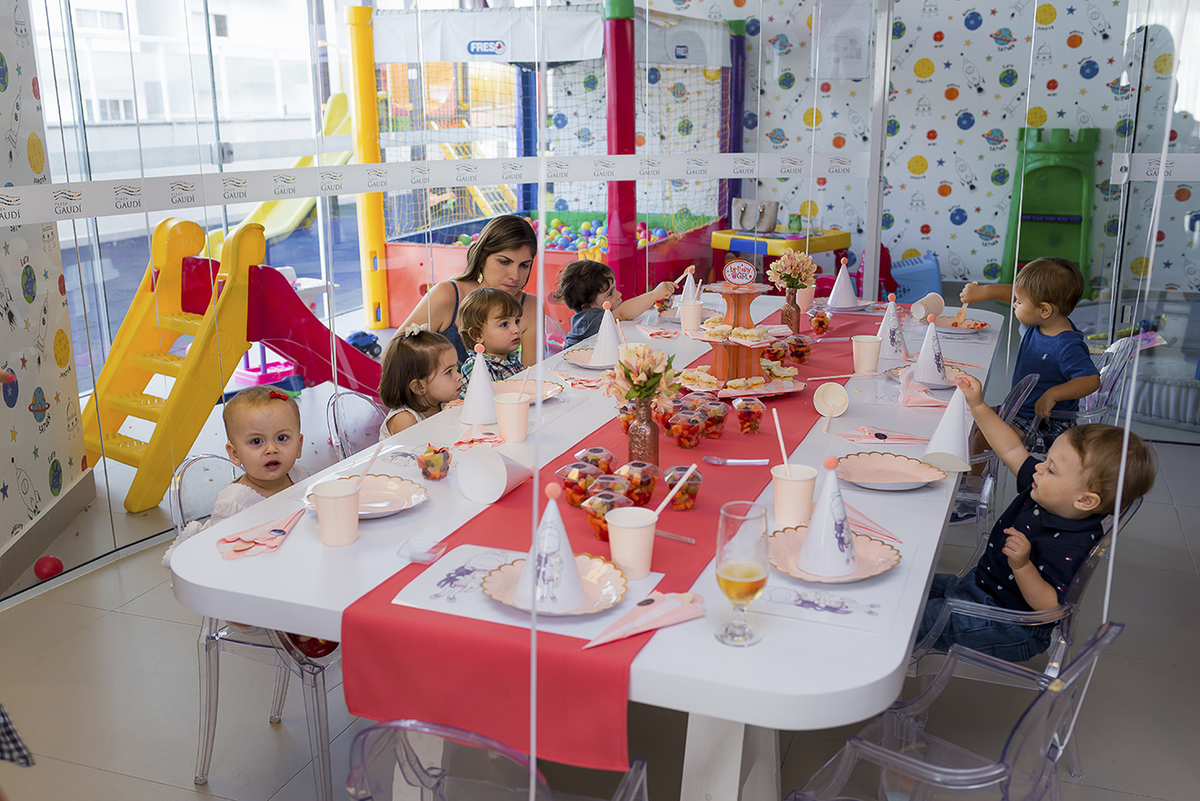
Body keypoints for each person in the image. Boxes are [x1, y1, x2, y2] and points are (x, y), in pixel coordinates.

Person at [919, 373, 1156, 662]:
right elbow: (1011, 448)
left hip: (1012, 626)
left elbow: (1050, 609)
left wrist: (1022, 566)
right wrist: (977, 405)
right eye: (1046, 460)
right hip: (978, 589)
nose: (1040, 468)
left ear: (1084, 500)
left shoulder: (1072, 543)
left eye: (1052, 469)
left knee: (912, 620)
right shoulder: (1047, 491)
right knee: (909, 588)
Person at [961, 258, 1100, 497]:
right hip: (1021, 410)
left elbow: (1091, 380)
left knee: (984, 437)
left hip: (1045, 422)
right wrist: (982, 292)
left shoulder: (1066, 345)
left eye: (1019, 302)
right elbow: (1015, 294)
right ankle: (971, 475)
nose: (1014, 304)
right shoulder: (1042, 323)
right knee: (972, 421)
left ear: (1044, 310)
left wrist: (1053, 394)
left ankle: (971, 494)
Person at [162, 386, 306, 565]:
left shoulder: (301, 477)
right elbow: (222, 556)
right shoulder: (233, 504)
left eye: (282, 438)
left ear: (299, 445)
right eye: (256, 441)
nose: (271, 449)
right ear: (235, 454)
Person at [396, 215, 540, 366]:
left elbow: (532, 376)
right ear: (482, 257)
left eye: (524, 265)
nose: (515, 276)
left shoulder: (531, 307)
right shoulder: (447, 295)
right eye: (504, 262)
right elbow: (394, 355)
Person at [553, 259, 676, 347]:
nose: (619, 294)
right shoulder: (588, 318)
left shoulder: (598, 312)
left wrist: (644, 304)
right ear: (587, 306)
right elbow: (622, 313)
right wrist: (653, 295)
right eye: (610, 293)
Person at [378, 325, 463, 438]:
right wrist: (446, 419)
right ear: (419, 387)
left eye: (456, 368)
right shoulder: (405, 420)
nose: (459, 376)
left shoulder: (441, 403)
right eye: (448, 372)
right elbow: (427, 448)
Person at [457, 287, 526, 389]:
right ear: (477, 335)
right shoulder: (477, 367)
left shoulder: (511, 358)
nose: (516, 329)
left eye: (517, 321)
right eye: (504, 324)